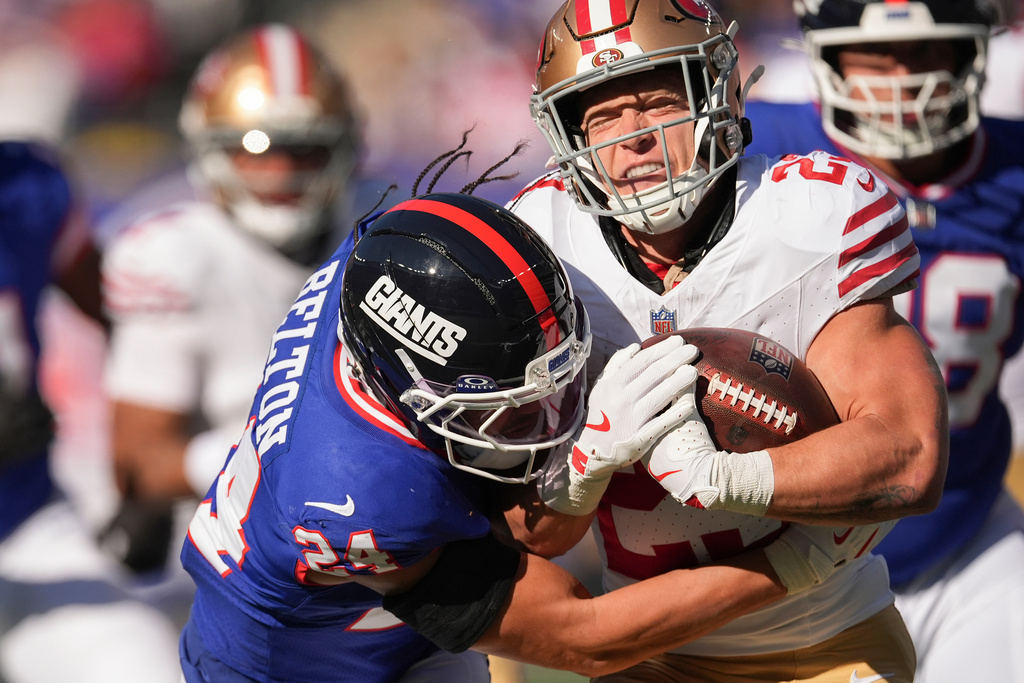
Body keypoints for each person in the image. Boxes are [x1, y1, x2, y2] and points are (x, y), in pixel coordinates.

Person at [179, 188, 888, 682]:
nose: (552, 421)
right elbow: (585, 639)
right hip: (297, 666)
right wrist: (793, 562)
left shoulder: (380, 268)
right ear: (411, 393)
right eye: (514, 412)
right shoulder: (358, 494)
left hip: (391, 624)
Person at [505, 0, 949, 680]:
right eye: (601, 117)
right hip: (641, 648)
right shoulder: (540, 248)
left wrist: (725, 477)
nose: (632, 138)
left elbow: (908, 455)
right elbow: (529, 536)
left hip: (823, 644)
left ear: (716, 92)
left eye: (656, 102)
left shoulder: (807, 218)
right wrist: (584, 464)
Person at [742, 1, 1024, 680]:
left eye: (925, 51)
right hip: (786, 558)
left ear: (971, 49)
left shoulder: (1014, 167)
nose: (902, 79)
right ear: (825, 53)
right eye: (876, 57)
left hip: (966, 540)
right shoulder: (751, 153)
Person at [99, 23, 363, 592]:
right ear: (208, 147)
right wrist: (278, 445)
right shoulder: (172, 253)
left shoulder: (387, 224)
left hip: (361, 525)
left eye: (304, 148)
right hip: (203, 543)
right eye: (254, 148)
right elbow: (138, 463)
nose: (280, 171)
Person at [0, 140, 181, 682]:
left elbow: (129, 323)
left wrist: (143, 471)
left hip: (23, 522)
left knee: (143, 668)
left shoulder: (27, 189)